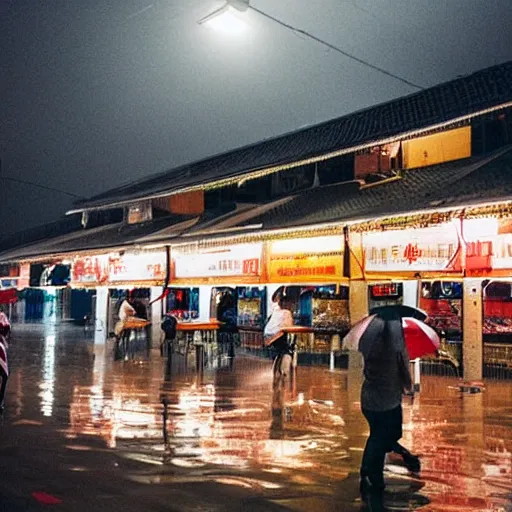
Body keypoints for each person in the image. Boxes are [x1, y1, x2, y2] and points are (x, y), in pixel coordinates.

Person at [359, 314, 421, 497]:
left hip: (369, 400)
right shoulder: (396, 347)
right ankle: (373, 476)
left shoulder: (369, 347)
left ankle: (369, 471)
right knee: (382, 437)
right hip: (388, 401)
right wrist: (409, 387)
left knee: (378, 436)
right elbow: (404, 371)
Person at [264, 291, 294, 385]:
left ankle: (276, 380)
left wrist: (269, 340)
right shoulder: (287, 312)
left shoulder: (275, 311)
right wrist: (273, 339)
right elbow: (285, 328)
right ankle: (284, 376)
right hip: (277, 337)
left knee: (279, 355)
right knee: (287, 352)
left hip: (269, 337)